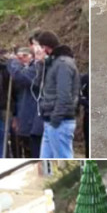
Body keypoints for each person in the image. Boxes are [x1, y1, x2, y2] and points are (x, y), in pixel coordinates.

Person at [35, 30, 79, 158]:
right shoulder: (53, 64)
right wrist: (41, 64)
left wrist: (55, 119)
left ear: (46, 47)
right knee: (45, 158)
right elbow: (39, 85)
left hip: (60, 122)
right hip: (51, 121)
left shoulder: (63, 64)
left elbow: (64, 95)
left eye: (40, 47)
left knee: (63, 158)